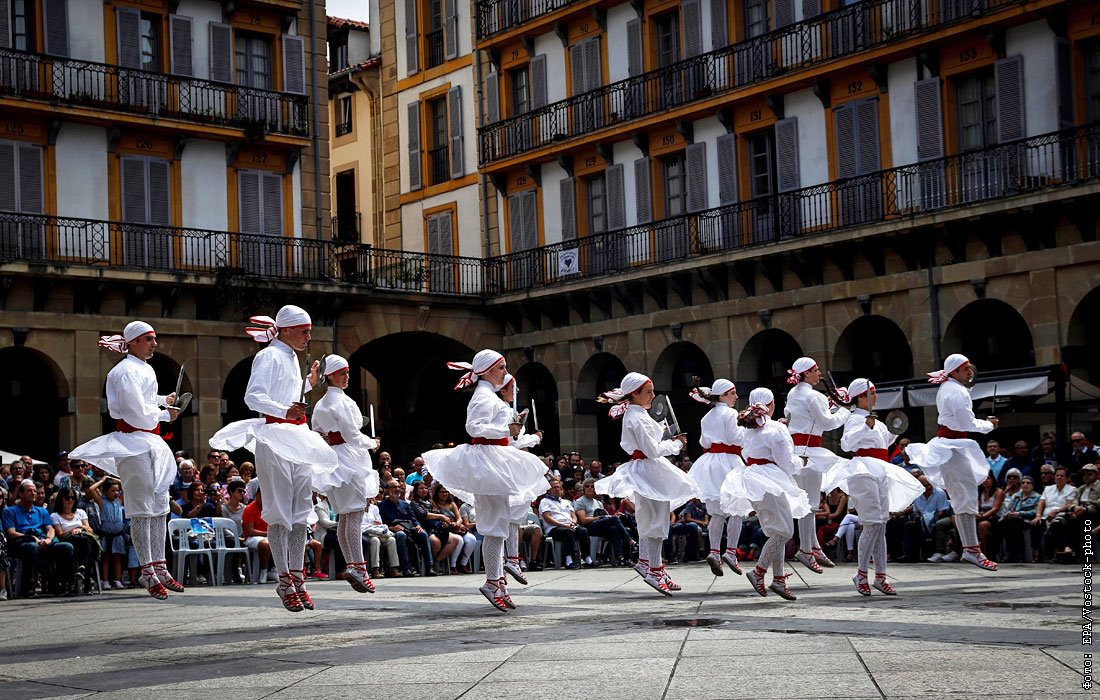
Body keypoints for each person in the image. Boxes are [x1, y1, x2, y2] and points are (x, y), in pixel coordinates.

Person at [209, 306, 339, 612]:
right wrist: (284, 412)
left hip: (296, 436)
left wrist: (309, 383)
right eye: (304, 331)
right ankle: (284, 581)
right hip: (275, 436)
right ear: (287, 329)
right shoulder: (267, 355)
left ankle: (298, 576)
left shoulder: (290, 356)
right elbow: (253, 397)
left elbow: (286, 393)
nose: (309, 337)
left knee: (299, 513)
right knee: (281, 512)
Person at [422, 350, 549, 611]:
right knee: (494, 526)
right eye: (501, 368)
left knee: (499, 524)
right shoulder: (482, 396)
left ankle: (498, 578)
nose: (505, 372)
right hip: (488, 462)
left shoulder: (490, 396)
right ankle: (493, 580)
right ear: (489, 370)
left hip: (497, 459)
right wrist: (506, 429)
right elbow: (474, 427)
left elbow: (505, 436)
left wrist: (518, 434)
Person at [68, 320, 183, 599]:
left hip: (150, 441)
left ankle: (160, 564)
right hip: (132, 441)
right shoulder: (123, 371)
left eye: (154, 338)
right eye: (147, 339)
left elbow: (144, 401)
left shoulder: (145, 369)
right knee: (142, 508)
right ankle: (147, 571)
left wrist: (162, 400)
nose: (153, 343)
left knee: (159, 505)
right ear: (132, 342)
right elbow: (133, 413)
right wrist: (165, 414)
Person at [595, 372, 694, 595]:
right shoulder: (636, 417)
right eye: (648, 392)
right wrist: (675, 445)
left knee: (653, 519)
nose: (652, 395)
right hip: (649, 468)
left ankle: (647, 563)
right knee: (656, 520)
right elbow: (651, 450)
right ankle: (654, 569)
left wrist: (667, 435)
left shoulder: (637, 414)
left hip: (649, 469)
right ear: (635, 393)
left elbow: (652, 439)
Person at [822, 379, 922, 596]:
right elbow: (847, 444)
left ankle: (880, 576)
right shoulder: (854, 419)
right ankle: (860, 574)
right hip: (863, 470)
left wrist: (894, 430)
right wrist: (865, 426)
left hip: (880, 469)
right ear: (860, 397)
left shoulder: (877, 421)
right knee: (872, 523)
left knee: (881, 524)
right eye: (872, 392)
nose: (876, 396)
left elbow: (883, 443)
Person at [904, 354, 999, 571]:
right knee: (964, 499)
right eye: (966, 369)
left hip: (951, 445)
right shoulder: (955, 391)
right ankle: (972, 550)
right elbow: (966, 421)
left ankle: (971, 548)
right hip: (953, 447)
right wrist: (989, 425)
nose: (970, 372)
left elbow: (960, 415)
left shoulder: (949, 388)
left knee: (962, 499)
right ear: (955, 372)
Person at [720, 388, 812, 601]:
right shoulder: (774, 428)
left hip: (753, 478)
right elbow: (786, 463)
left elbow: (747, 452)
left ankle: (779, 579)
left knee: (776, 531)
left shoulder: (749, 428)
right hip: (769, 480)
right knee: (784, 531)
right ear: (771, 405)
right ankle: (759, 571)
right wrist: (802, 462)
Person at [311, 354, 381, 593]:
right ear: (330, 375)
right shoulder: (344, 402)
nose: (347, 376)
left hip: (333, 459)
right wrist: (372, 443)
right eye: (342, 373)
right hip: (349, 460)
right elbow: (352, 435)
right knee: (353, 514)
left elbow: (317, 432)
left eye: (348, 372)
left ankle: (352, 563)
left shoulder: (321, 404)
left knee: (345, 515)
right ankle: (358, 566)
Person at [784, 357, 849, 574]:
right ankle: (806, 548)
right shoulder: (814, 395)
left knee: (808, 502)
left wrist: (829, 404)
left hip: (796, 451)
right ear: (807, 373)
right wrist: (843, 409)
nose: (819, 373)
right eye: (816, 370)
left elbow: (805, 416)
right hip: (810, 452)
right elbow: (827, 423)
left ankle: (813, 546)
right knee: (810, 503)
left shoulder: (794, 393)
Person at [686, 379, 745, 577]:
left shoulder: (707, 416)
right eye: (732, 393)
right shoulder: (730, 413)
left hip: (710, 462)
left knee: (717, 513)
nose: (735, 397)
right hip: (728, 461)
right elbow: (735, 438)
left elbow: (704, 441)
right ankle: (731, 551)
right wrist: (749, 429)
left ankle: (714, 551)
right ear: (722, 395)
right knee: (737, 509)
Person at [3, 480, 73, 597]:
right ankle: (27, 588)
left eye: (35, 491)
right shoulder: (9, 511)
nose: (33, 493)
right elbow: (11, 533)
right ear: (20, 494)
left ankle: (59, 585)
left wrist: (48, 540)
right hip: (21, 542)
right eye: (29, 491)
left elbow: (50, 529)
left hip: (43, 541)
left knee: (66, 547)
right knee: (31, 547)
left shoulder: (42, 511)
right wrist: (31, 537)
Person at [50, 486, 100, 595]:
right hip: (69, 541)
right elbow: (60, 535)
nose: (70, 500)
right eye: (67, 498)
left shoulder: (80, 512)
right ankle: (86, 582)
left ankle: (82, 568)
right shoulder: (55, 516)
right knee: (86, 544)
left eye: (73, 498)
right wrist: (73, 530)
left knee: (86, 541)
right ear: (61, 499)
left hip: (83, 539)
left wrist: (80, 529)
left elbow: (89, 529)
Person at [573, 479, 632, 566]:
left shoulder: (599, 503)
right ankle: (631, 541)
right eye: (587, 486)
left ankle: (622, 558)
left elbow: (606, 517)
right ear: (583, 489)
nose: (590, 488)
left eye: (592, 486)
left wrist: (606, 517)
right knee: (614, 519)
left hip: (600, 526)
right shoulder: (580, 501)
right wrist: (600, 517)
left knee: (615, 529)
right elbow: (583, 520)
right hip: (589, 527)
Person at [539, 478, 594, 569]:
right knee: (568, 532)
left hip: (569, 526)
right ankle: (568, 561)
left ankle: (587, 558)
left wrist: (573, 523)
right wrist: (564, 525)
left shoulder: (566, 502)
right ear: (548, 490)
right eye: (554, 487)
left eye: (558, 487)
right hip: (554, 528)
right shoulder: (544, 501)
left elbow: (574, 515)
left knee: (583, 530)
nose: (557, 489)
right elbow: (547, 518)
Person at [87, 477, 127, 589]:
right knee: (106, 557)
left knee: (118, 557)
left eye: (117, 490)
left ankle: (117, 579)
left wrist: (114, 479)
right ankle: (105, 580)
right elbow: (91, 489)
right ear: (105, 491)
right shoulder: (101, 502)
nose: (116, 493)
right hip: (106, 534)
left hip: (118, 533)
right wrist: (103, 480)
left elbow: (126, 486)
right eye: (112, 490)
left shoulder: (119, 501)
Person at [1000, 476, 1042, 562]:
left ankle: (1017, 555)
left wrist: (1020, 514)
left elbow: (1035, 511)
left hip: (1027, 520)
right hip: (1013, 519)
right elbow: (1010, 508)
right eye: (1023, 483)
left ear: (1033, 486)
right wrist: (1010, 513)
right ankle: (1003, 554)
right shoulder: (1016, 496)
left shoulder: (1037, 497)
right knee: (1001, 525)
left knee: (1013, 524)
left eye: (1028, 483)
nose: (1025, 484)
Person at [976, 471, 1004, 562]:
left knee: (982, 525)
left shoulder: (998, 491)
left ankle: (987, 553)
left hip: (995, 517)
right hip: (982, 515)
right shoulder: (980, 492)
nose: (985, 481)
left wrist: (982, 516)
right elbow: (978, 507)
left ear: (992, 480)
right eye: (983, 479)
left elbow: (995, 508)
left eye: (988, 478)